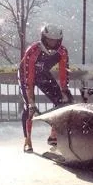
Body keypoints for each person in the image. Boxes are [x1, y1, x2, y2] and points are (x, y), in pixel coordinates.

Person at [18, 24, 71, 153]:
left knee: (62, 102)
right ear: (43, 38)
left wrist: (64, 90)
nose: (52, 43)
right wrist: (31, 100)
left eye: (55, 40)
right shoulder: (33, 50)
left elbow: (64, 73)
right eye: (49, 40)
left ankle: (54, 135)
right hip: (26, 75)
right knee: (29, 107)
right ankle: (27, 139)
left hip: (43, 74)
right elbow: (29, 76)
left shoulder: (62, 51)